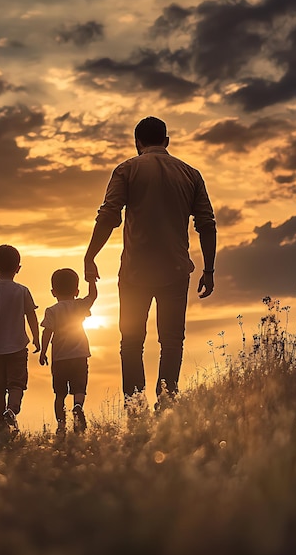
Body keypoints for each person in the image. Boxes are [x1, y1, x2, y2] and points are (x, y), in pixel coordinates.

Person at [84, 116, 217, 409]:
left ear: (137, 143)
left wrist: (90, 255)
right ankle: (166, 403)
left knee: (131, 342)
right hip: (175, 271)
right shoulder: (190, 174)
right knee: (171, 342)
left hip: (134, 273)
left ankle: (135, 407)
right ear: (166, 142)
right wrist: (209, 269)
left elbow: (109, 216)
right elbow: (206, 224)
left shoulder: (127, 169)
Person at [0, 244, 40, 433]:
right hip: (18, 346)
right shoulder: (22, 291)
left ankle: (0, 423)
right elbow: (31, 316)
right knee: (17, 384)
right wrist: (36, 338)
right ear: (18, 269)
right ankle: (11, 410)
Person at [39, 268, 97, 435]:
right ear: (77, 291)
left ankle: (61, 425)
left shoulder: (52, 310)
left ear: (53, 292)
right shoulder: (79, 305)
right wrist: (92, 280)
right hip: (79, 356)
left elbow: (47, 332)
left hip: (60, 359)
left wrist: (43, 352)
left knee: (59, 394)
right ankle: (78, 406)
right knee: (79, 389)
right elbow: (93, 296)